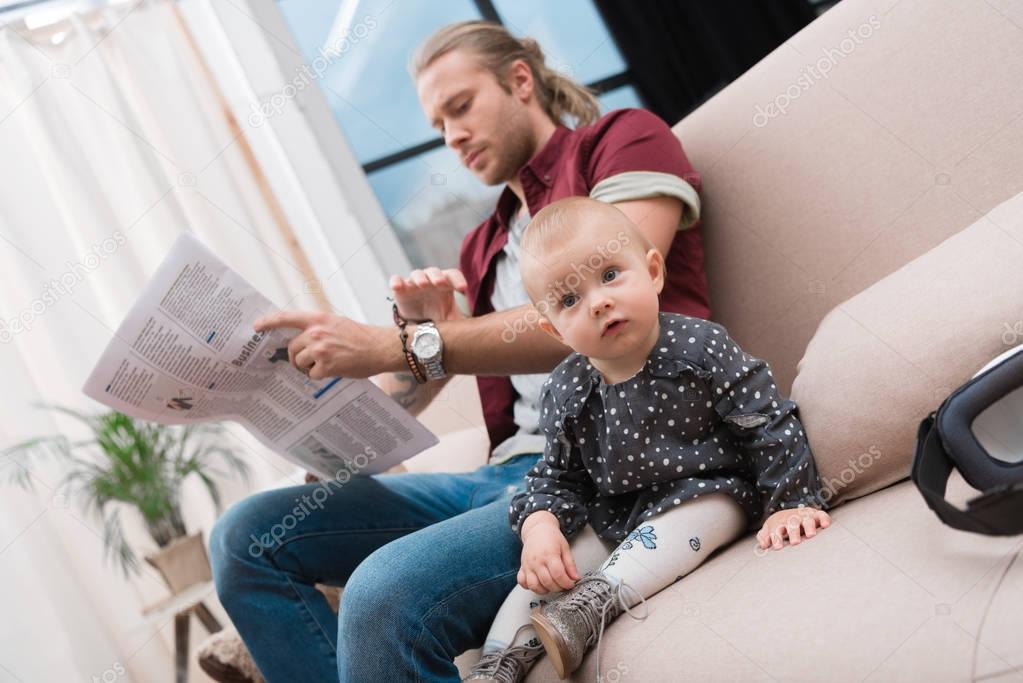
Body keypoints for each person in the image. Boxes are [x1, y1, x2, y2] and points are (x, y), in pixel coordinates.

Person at [209, 20, 710, 683]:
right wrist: (330, 418)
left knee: (382, 594)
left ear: (520, 81)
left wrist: (411, 342)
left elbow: (577, 319)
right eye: (438, 123)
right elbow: (443, 366)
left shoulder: (620, 142)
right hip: (497, 476)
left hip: (602, 464)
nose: (451, 137)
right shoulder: (483, 244)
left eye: (461, 107)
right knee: (245, 536)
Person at [463, 198, 832, 682]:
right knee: (546, 572)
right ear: (553, 328)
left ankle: (593, 605)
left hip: (712, 493)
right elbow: (557, 476)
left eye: (611, 275)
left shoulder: (701, 348)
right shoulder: (565, 390)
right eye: (570, 300)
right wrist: (541, 528)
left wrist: (791, 501)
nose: (597, 301)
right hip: (617, 511)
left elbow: (767, 419)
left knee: (679, 525)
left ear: (653, 271)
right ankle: (497, 665)